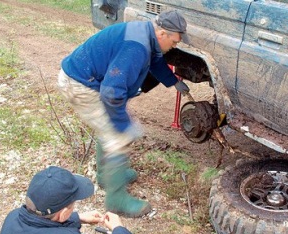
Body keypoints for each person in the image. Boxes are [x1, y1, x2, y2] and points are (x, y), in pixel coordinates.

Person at [56, 10, 190, 217]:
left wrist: (173, 82)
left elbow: (155, 61)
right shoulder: (136, 47)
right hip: (79, 84)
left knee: (110, 129)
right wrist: (121, 124)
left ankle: (105, 176)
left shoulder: (147, 34)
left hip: (87, 79)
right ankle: (116, 200)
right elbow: (111, 92)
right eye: (174, 42)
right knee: (118, 135)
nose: (174, 46)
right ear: (162, 33)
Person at [0, 166, 133, 234]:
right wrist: (119, 230)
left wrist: (77, 218)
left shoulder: (13, 216)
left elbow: (44, 232)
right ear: (62, 214)